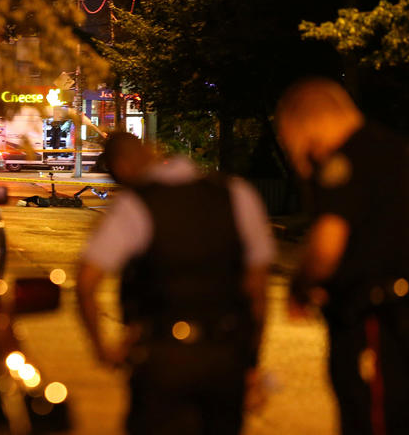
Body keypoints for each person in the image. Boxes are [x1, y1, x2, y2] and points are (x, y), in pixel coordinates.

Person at [77, 132, 274, 435]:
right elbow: (258, 290)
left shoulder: (135, 204)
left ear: (123, 166)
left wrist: (103, 348)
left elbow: (86, 282)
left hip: (161, 356)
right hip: (225, 355)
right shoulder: (236, 194)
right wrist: (250, 363)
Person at [276, 78, 409, 435]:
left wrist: (301, 285)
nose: (299, 154)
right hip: (408, 312)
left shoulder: (348, 158)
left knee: (369, 423)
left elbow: (328, 244)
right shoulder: (395, 151)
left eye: (292, 141)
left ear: (309, 123)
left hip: (373, 321)